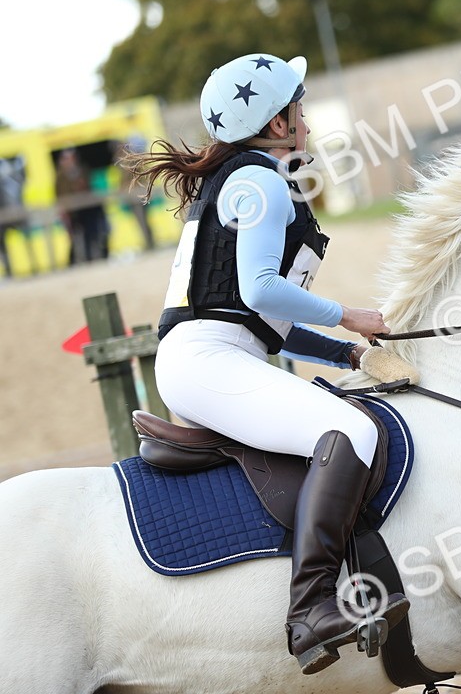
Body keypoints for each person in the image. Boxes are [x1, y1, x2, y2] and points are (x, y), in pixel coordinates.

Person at [123, 52, 408, 675]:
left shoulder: (246, 179)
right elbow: (259, 291)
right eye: (297, 107)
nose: (305, 117)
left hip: (221, 354)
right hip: (206, 360)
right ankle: (310, 606)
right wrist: (349, 315)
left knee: (342, 417)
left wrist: (351, 352)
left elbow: (265, 331)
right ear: (278, 123)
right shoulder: (258, 181)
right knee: (351, 430)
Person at [56, 147, 110, 265]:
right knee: (75, 238)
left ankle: (93, 258)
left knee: (92, 234)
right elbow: (60, 193)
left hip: (87, 209)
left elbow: (89, 186)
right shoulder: (60, 176)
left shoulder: (82, 169)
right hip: (72, 212)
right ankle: (77, 261)